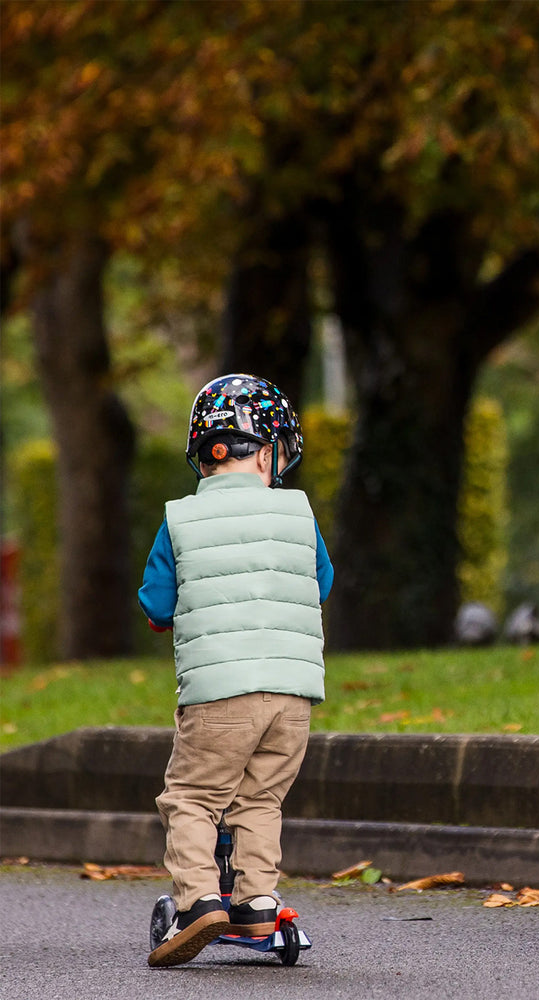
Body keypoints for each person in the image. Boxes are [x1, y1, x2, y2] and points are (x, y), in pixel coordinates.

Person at [138, 373, 334, 968]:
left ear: (204, 455)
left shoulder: (180, 519)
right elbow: (320, 583)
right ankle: (255, 901)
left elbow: (155, 604)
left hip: (219, 691)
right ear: (271, 451)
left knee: (193, 796)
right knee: (261, 798)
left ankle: (199, 900)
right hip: (293, 694)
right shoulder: (300, 513)